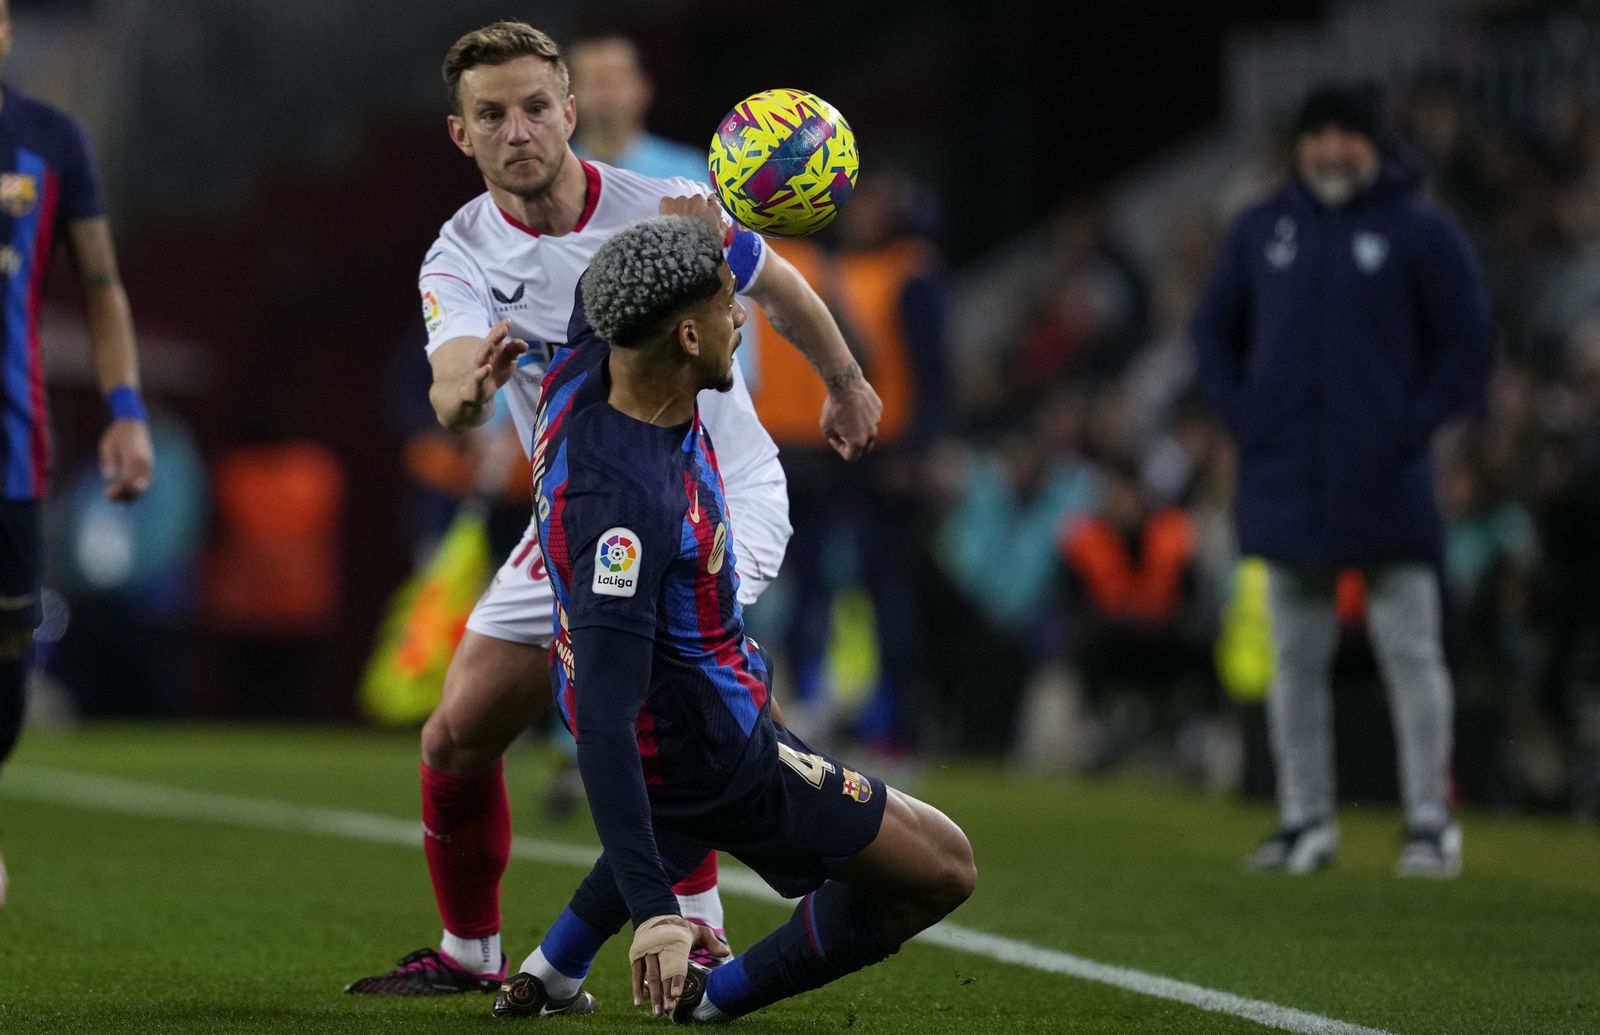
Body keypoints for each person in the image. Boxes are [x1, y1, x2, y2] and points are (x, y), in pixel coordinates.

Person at [347, 21, 881, 993]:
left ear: (570, 111)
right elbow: (448, 382)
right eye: (491, 114)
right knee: (455, 735)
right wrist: (468, 393)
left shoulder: (655, 206)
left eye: (535, 107)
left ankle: (697, 930)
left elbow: (782, 286)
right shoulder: (460, 253)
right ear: (461, 135)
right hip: (587, 513)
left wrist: (844, 380)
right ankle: (473, 956)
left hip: (720, 491)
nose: (519, 130)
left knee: (656, 698)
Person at [491, 215, 973, 1021]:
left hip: (674, 699)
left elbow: (625, 266)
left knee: (673, 801)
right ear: (685, 336)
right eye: (725, 305)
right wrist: (655, 912)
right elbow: (607, 728)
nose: (741, 318)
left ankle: (553, 970)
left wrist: (698, 228)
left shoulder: (590, 351)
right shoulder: (627, 508)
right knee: (943, 867)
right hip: (711, 752)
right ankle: (717, 996)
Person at [1192, 82, 1494, 877]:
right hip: (1287, 481)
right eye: (1317, 135)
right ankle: (1305, 820)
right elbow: (1211, 334)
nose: (1331, 150)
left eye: (1346, 136)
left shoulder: (1422, 231)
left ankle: (1430, 821)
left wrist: (1408, 424)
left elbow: (1468, 347)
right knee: (1296, 660)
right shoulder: (1263, 229)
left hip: (1387, 481)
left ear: (1375, 144)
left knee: (1412, 654)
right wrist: (1246, 416)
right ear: (1299, 145)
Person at [0, 0, 154, 909]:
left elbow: (101, 285)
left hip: (11, 444)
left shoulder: (49, 139)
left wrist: (126, 410)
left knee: (13, 645)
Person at [568, 35, 705, 183]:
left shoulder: (688, 172)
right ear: (566, 96)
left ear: (644, 88)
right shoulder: (550, 177)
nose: (606, 93)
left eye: (617, 80)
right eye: (592, 82)